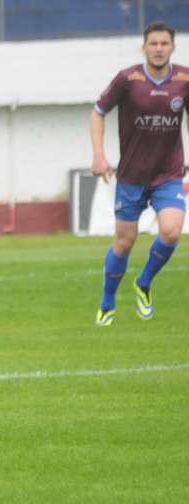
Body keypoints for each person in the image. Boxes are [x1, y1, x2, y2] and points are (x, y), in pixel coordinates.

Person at [91, 21, 186, 326]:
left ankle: (143, 283)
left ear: (173, 47)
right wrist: (99, 154)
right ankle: (107, 302)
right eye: (153, 44)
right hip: (132, 175)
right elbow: (98, 112)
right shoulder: (127, 79)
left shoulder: (184, 80)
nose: (158, 49)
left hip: (168, 173)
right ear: (144, 47)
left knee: (171, 231)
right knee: (124, 241)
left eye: (164, 44)